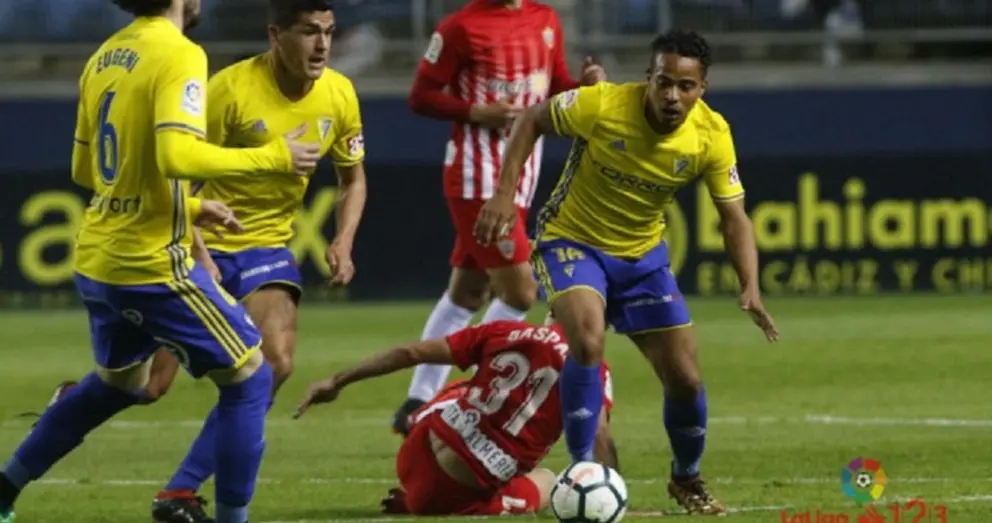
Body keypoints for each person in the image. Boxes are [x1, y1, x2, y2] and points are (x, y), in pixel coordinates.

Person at [0, 0, 320, 522]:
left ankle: (4, 487)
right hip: (149, 263)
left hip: (98, 258)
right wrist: (274, 155)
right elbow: (177, 156)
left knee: (120, 385)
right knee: (251, 377)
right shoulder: (179, 53)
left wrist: (188, 207)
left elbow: (86, 168)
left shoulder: (105, 55)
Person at [474, 30, 780, 516]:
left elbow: (733, 217)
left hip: (642, 259)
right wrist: (503, 195)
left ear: (702, 88)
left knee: (686, 380)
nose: (672, 95)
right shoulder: (603, 105)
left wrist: (750, 285)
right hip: (571, 241)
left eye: (685, 86)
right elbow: (532, 119)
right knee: (587, 341)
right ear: (648, 78)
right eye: (663, 82)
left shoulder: (712, 134)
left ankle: (687, 478)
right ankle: (581, 472)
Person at [392, 0, 607, 434]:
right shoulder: (461, 27)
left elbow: (554, 88)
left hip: (520, 177)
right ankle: (472, 392)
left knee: (466, 294)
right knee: (521, 291)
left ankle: (416, 403)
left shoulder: (545, 19)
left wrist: (583, 87)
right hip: (478, 179)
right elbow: (421, 96)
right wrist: (476, 112)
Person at [295, 316, 618, 516]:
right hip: (452, 492)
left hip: (416, 451)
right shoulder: (595, 371)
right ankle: (428, 500)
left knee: (464, 387)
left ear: (553, 310)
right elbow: (599, 435)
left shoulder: (506, 330)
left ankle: (418, 419)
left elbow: (411, 353)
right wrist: (612, 493)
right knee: (546, 480)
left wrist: (338, 381)